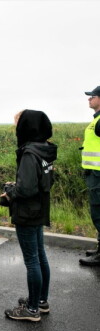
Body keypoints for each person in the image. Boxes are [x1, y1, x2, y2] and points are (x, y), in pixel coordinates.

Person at [1, 110, 57, 322]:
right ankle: (40, 301)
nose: (16, 128)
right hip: (40, 208)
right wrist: (21, 186)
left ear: (26, 127)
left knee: (32, 260)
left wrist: (10, 192)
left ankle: (32, 309)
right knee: (40, 255)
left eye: (18, 123)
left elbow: (26, 190)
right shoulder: (45, 150)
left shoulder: (28, 153)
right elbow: (44, 182)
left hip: (27, 212)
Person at [79, 86, 100, 266]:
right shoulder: (97, 119)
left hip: (99, 176)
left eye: (92, 96)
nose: (89, 99)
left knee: (99, 214)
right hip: (94, 174)